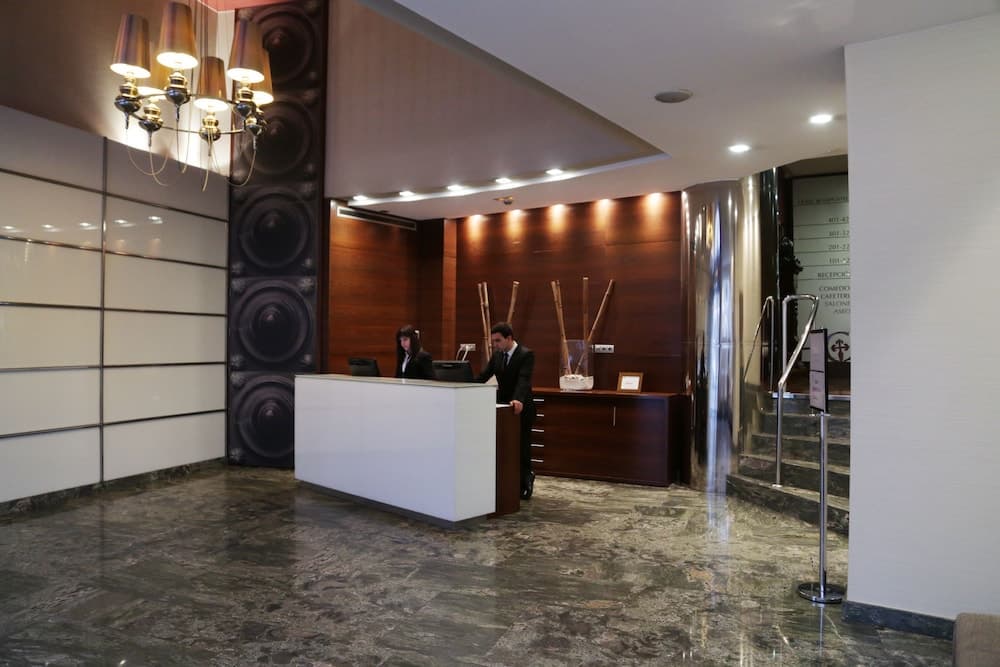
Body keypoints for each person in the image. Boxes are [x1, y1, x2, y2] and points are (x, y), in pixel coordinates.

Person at [476, 321, 537, 499]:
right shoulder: (497, 356)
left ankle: (526, 479)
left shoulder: (526, 354)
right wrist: (465, 386)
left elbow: (523, 380)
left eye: (498, 341)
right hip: (503, 409)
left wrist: (518, 399)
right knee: (504, 448)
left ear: (509, 338)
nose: (495, 345)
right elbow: (483, 376)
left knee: (521, 447)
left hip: (521, 408)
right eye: (493, 341)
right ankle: (507, 483)